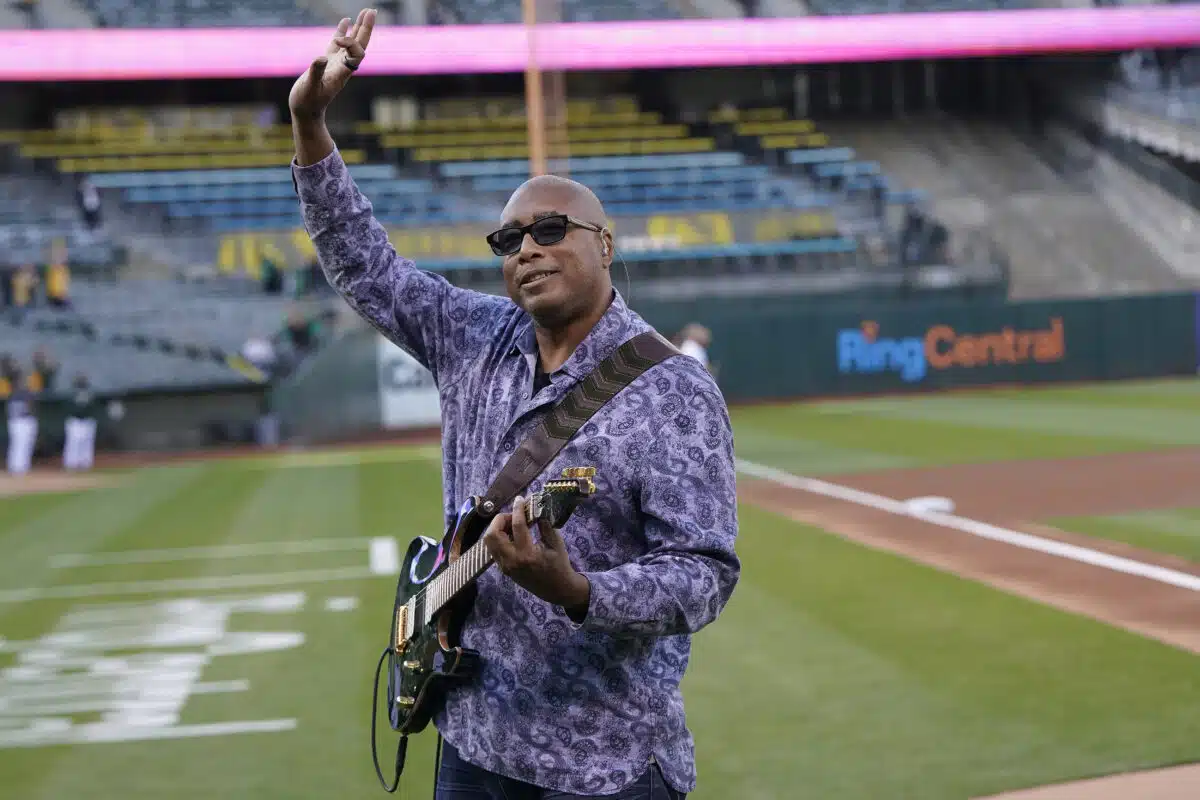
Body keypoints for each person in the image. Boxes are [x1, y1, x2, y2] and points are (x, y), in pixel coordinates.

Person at [288, 10, 740, 799]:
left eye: (552, 228)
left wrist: (581, 592)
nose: (527, 247)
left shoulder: (673, 389)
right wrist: (310, 123)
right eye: (509, 240)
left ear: (606, 243)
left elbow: (703, 574)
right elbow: (366, 264)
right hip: (471, 738)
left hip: (604, 762)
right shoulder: (474, 337)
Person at [63, 373, 99, 471]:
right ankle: (71, 464)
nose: (82, 381)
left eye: (83, 379)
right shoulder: (71, 393)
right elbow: (67, 407)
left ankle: (85, 464)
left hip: (87, 421)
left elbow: (94, 407)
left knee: (87, 443)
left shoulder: (90, 392)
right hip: (75, 421)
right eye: (80, 379)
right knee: (73, 443)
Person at [6, 367, 38, 476]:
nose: (22, 381)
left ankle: (21, 467)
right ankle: (16, 467)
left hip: (23, 421)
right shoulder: (15, 392)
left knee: (25, 444)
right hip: (18, 422)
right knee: (18, 444)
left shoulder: (23, 392)